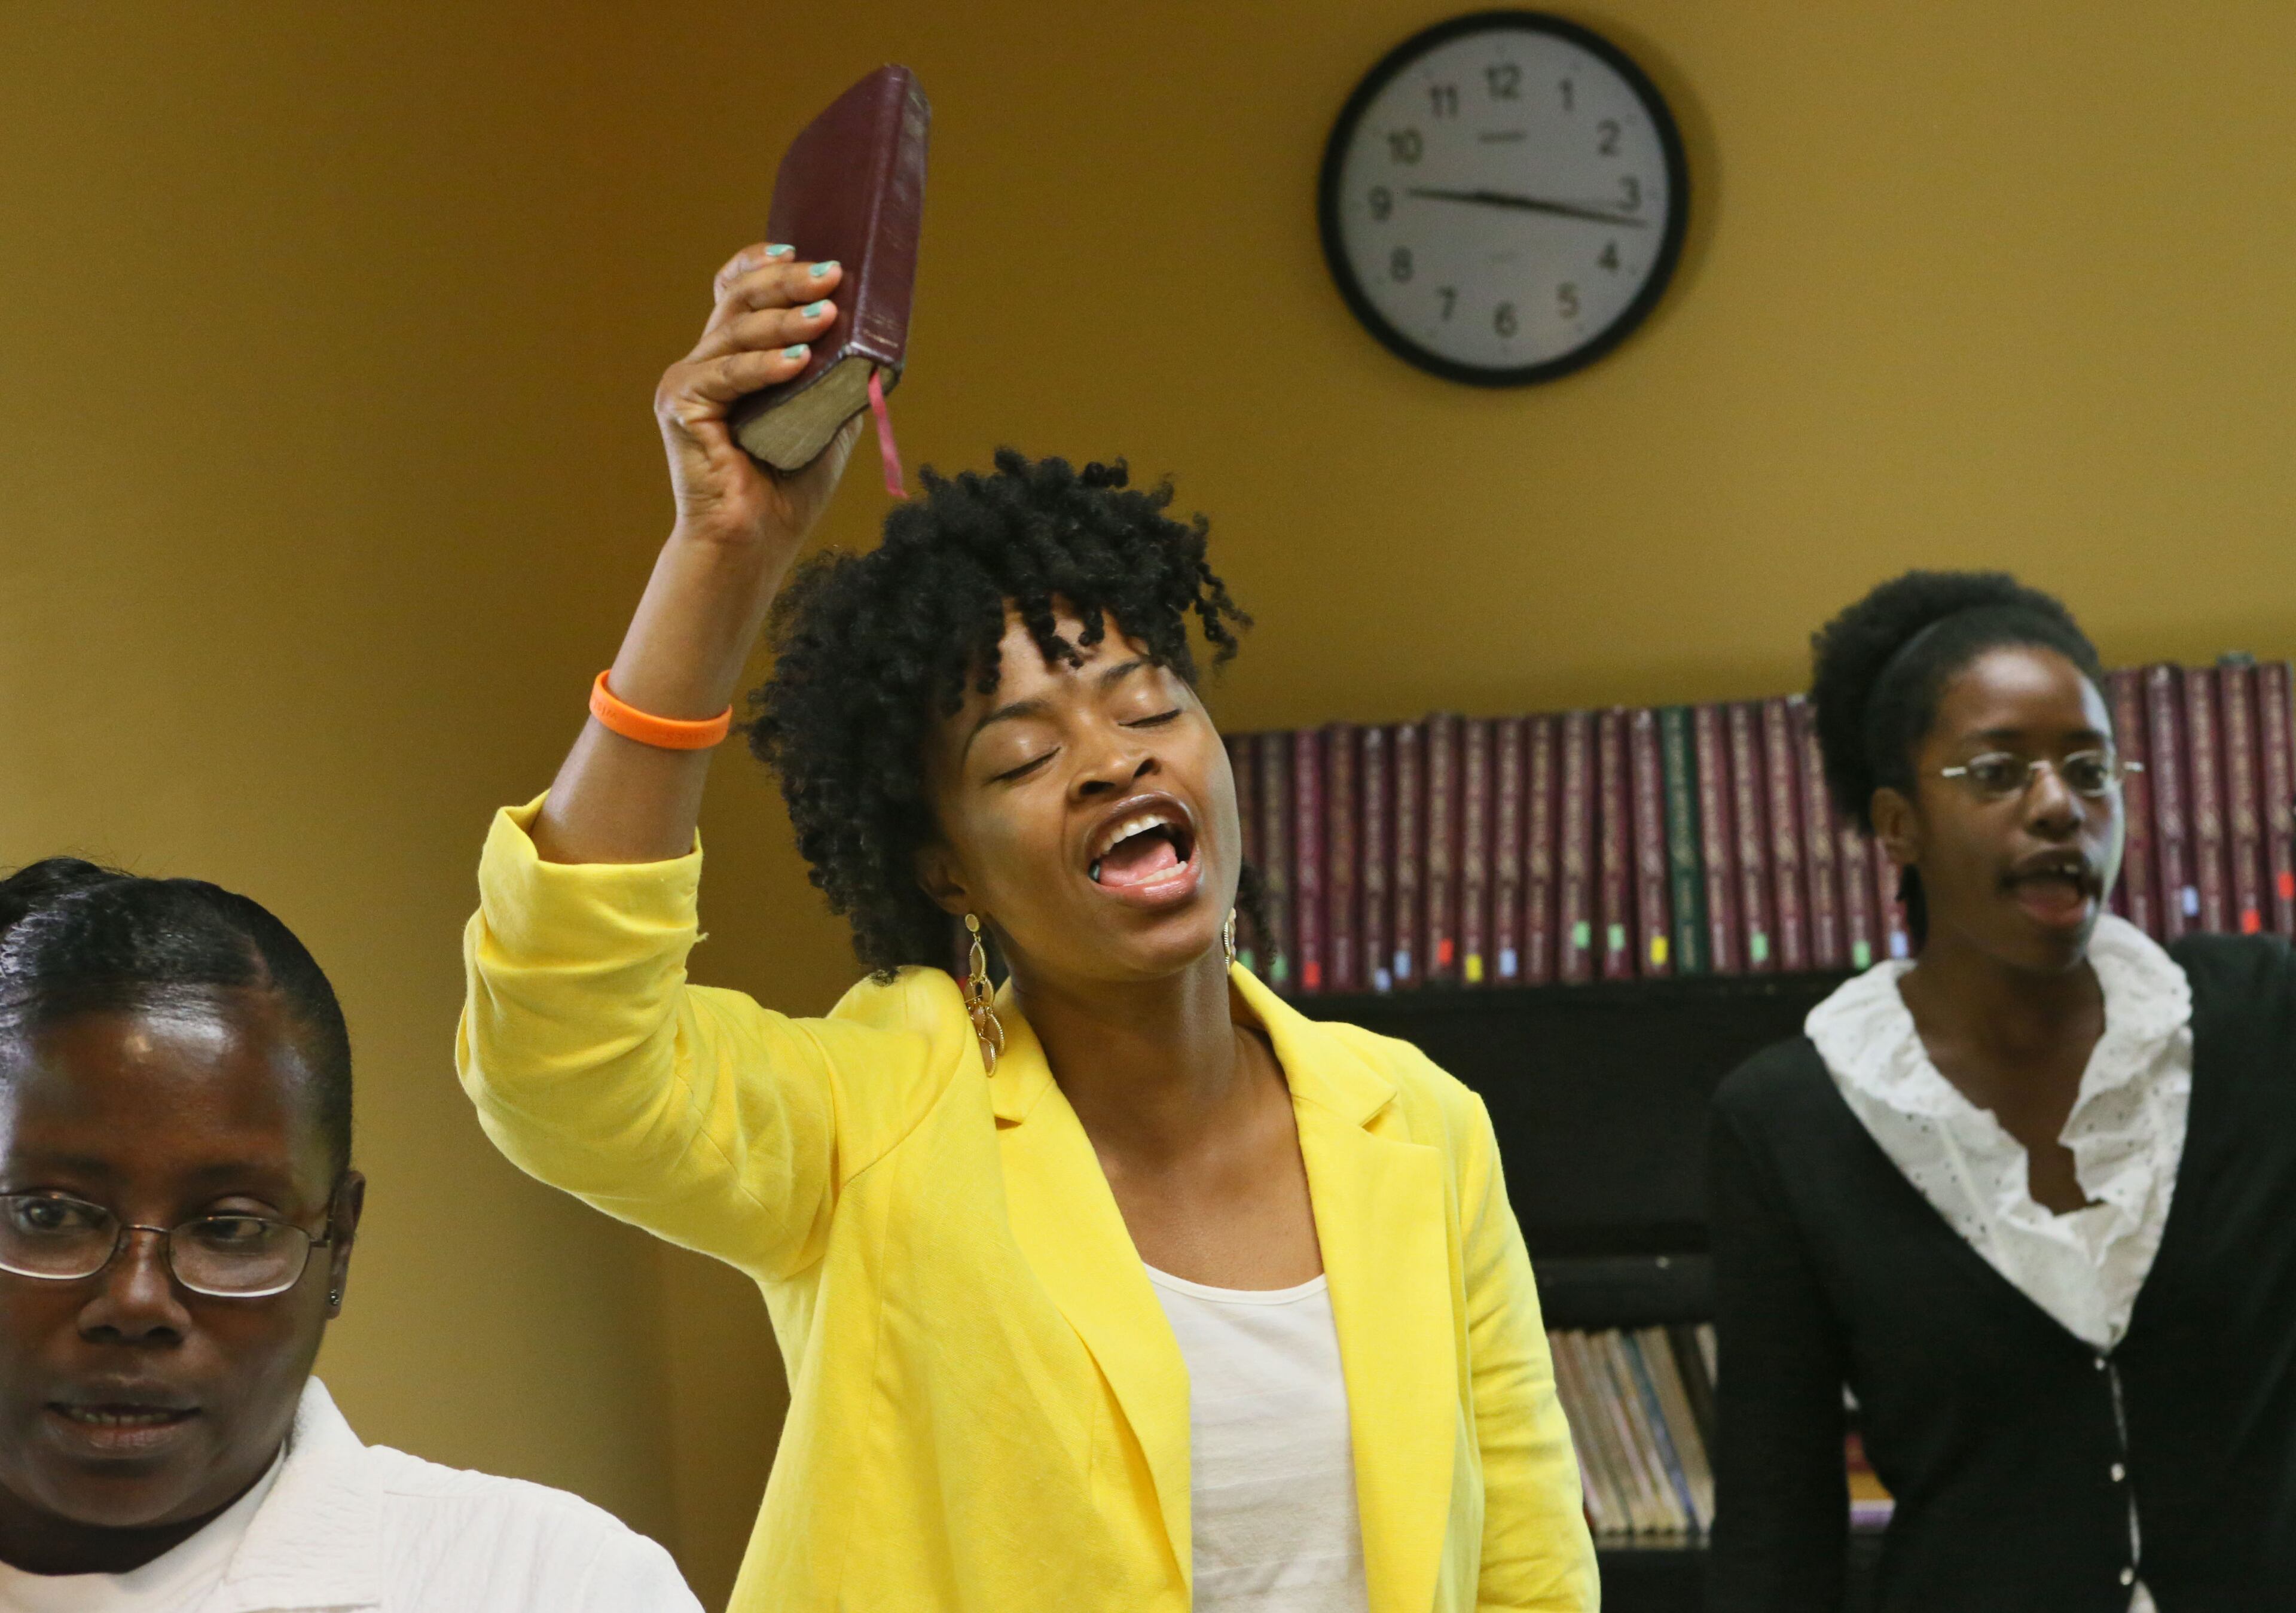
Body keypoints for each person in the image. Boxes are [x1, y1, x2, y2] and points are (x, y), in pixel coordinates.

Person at [454, 242, 1598, 1612]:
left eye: (1146, 702)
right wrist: (720, 557)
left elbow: (1525, 1572)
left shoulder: (1416, 1123)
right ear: (948, 872)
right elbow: (564, 1062)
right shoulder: (882, 1107)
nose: (1111, 760)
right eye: (1018, 757)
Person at [1706, 571, 2296, 1612]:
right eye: (1996, 772)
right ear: (1898, 825)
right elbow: (1776, 1523)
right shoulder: (1789, 1119)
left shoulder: (2261, 1022)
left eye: (2089, 768)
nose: (2060, 806)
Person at [0, 858, 700, 1612]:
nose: (135, 1302)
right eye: (51, 1215)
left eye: (232, 1227)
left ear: (340, 1241)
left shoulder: (550, 1583)